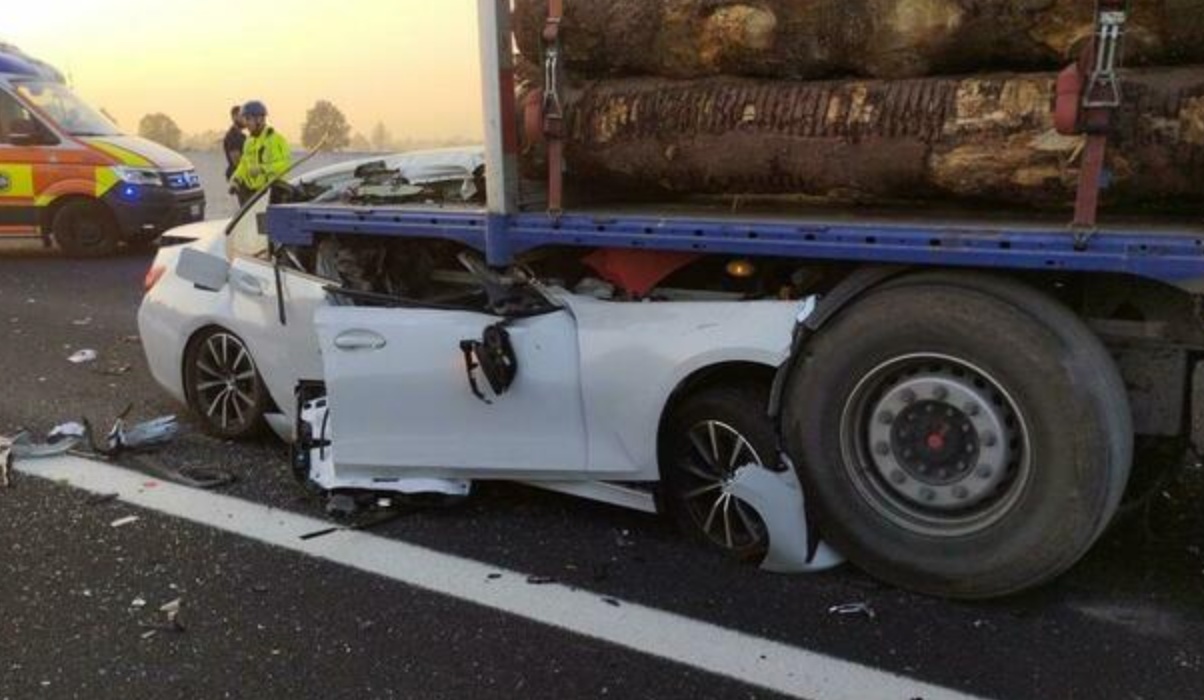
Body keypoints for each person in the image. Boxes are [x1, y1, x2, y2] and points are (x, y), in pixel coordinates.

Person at [229, 100, 291, 205]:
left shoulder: (276, 140)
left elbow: (284, 165)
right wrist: (236, 179)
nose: (246, 123)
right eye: (245, 119)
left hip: (273, 195)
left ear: (260, 119)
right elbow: (244, 164)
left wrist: (262, 169)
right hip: (253, 195)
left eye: (248, 119)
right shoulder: (249, 142)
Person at [222, 105, 245, 183]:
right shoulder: (232, 136)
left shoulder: (242, 136)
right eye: (242, 116)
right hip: (238, 177)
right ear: (234, 117)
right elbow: (237, 162)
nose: (245, 119)